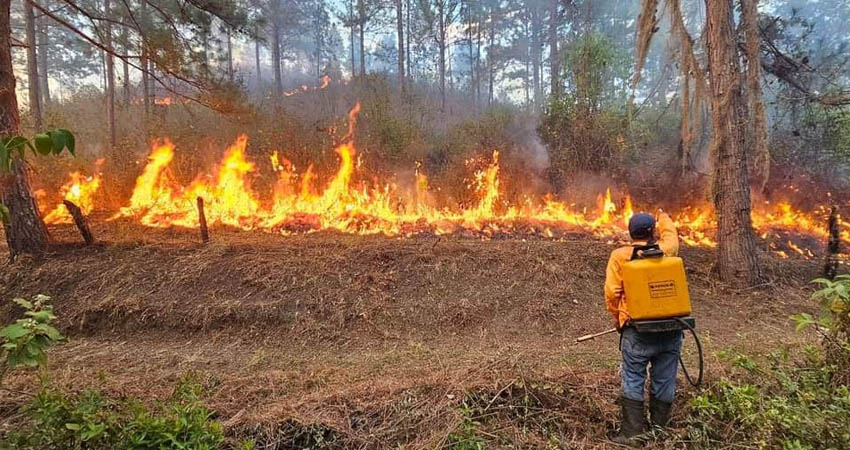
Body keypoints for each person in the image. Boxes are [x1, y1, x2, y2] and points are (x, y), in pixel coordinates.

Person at [604, 210, 682, 445]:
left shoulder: (620, 256)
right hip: (670, 329)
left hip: (637, 331)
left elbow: (612, 293)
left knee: (633, 377)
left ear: (630, 233)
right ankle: (659, 431)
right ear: (653, 232)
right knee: (665, 378)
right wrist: (664, 218)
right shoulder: (666, 251)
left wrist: (618, 319)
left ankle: (633, 434)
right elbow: (672, 238)